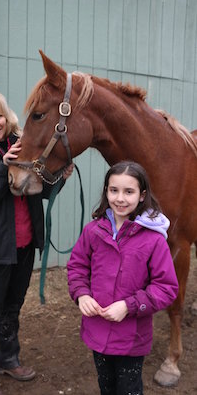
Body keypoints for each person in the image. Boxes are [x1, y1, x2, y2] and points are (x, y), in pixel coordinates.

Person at [0, 89, 74, 395]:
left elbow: (39, 190)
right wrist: (2, 167)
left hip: (24, 246)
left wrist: (59, 179)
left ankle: (7, 358)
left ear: (6, 116)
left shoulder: (23, 145)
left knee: (12, 307)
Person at [67, 160, 179, 395]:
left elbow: (166, 287)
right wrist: (82, 295)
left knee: (128, 389)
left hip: (132, 337)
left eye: (129, 191)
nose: (120, 198)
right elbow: (77, 267)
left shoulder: (153, 240)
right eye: (114, 190)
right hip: (97, 330)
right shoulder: (93, 231)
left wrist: (129, 306)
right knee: (106, 386)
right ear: (106, 191)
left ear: (141, 195)